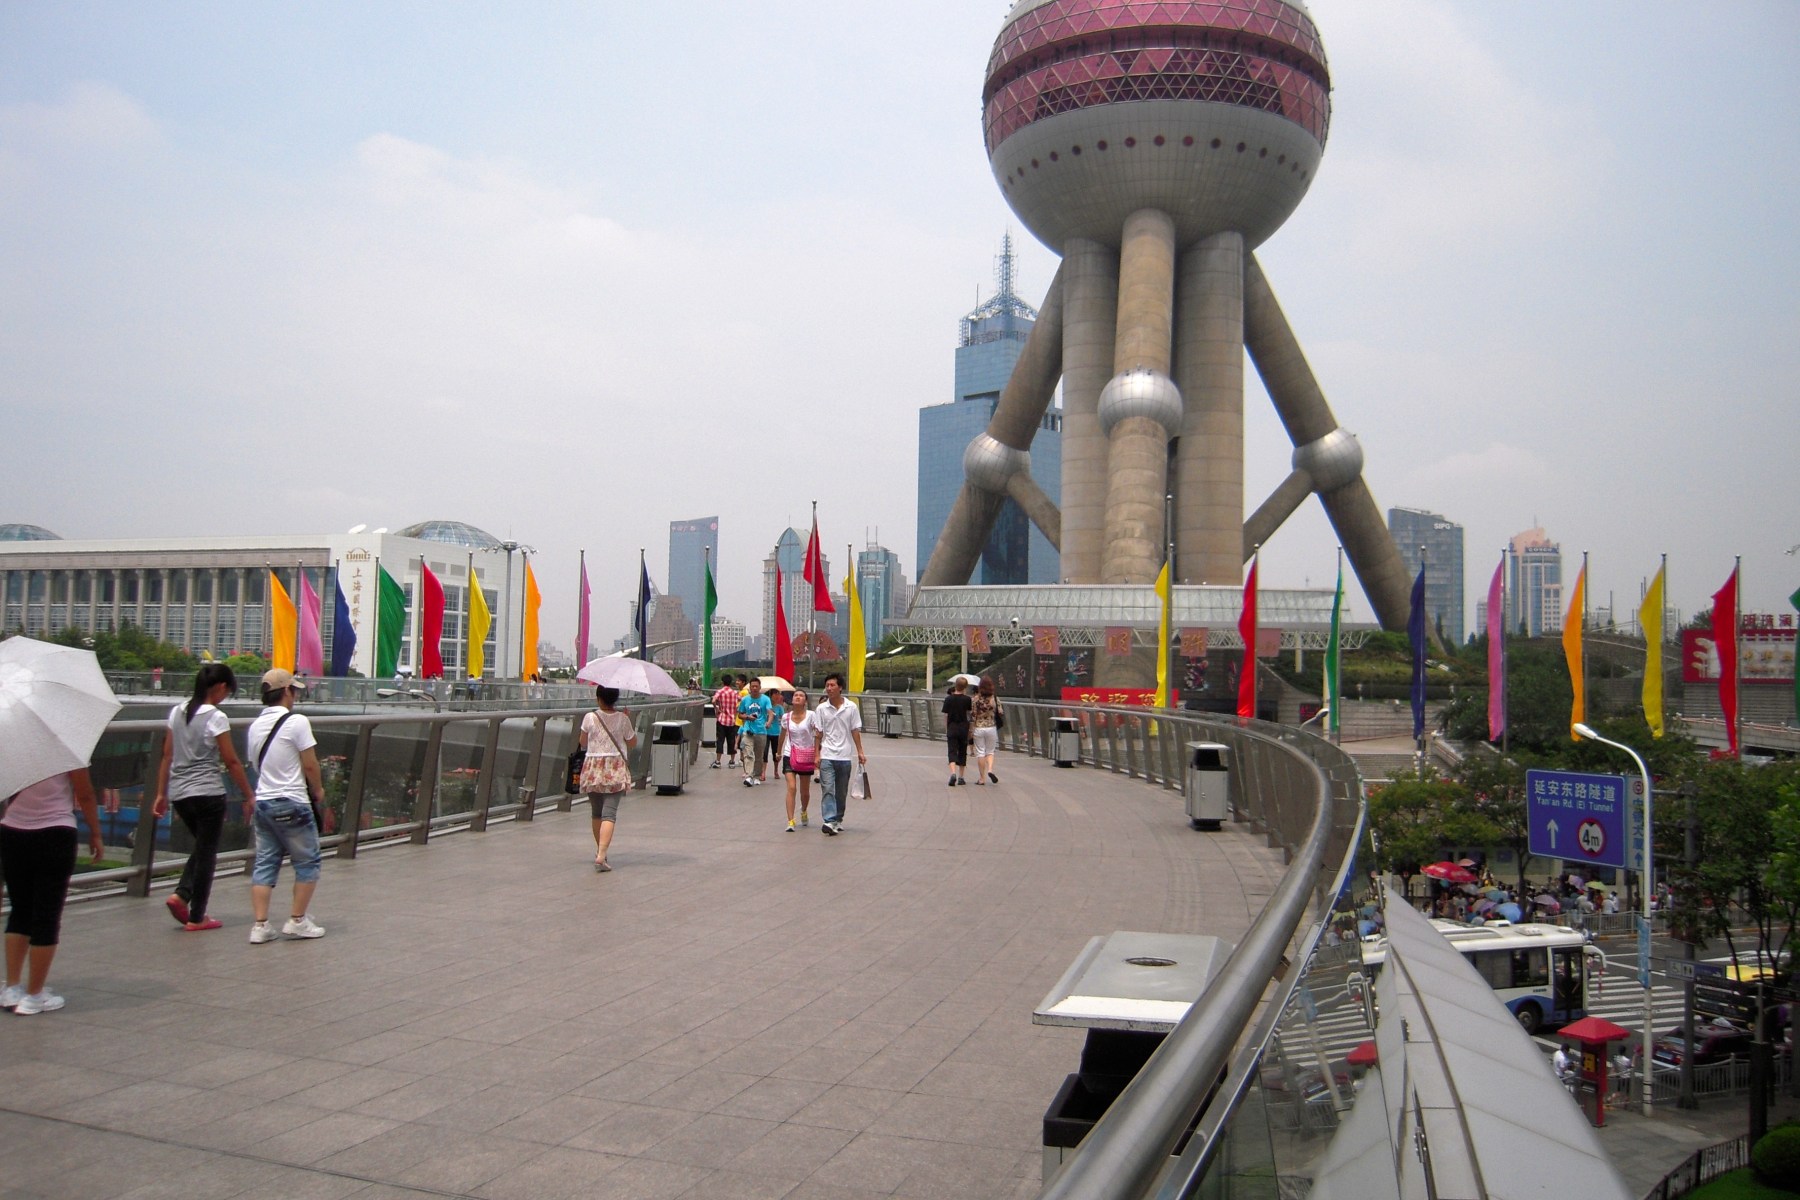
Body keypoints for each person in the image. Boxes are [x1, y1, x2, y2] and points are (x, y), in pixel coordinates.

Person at [151, 664, 254, 932]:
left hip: (180, 794)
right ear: (221, 687)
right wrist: (249, 795)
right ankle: (197, 916)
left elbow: (167, 755)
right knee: (207, 855)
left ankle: (182, 894)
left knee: (203, 847)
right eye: (227, 692)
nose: (225, 697)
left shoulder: (177, 712)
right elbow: (231, 761)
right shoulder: (216, 717)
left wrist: (161, 793)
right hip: (208, 794)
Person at [1, 769, 103, 1014]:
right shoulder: (65, 749)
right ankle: (34, 996)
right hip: (55, 832)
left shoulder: (9, 749)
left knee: (20, 910)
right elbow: (85, 794)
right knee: (47, 915)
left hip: (12, 831)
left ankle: (12, 988)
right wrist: (96, 833)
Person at [245, 669, 327, 944]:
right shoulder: (297, 722)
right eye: (295, 691)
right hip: (292, 800)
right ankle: (297, 920)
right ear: (287, 692)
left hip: (264, 801)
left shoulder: (255, 726)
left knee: (265, 862)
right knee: (307, 861)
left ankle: (260, 925)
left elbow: (255, 764)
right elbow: (310, 764)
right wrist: (318, 790)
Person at [578, 685, 638, 871]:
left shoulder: (590, 717)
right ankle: (602, 855)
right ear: (615, 699)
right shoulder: (623, 718)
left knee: (596, 813)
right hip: (615, 767)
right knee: (609, 814)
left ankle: (600, 852)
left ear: (598, 698)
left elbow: (582, 742)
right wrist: (626, 719)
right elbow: (632, 742)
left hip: (593, 768)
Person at [815, 673, 866, 835]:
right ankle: (829, 820)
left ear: (840, 687)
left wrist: (860, 751)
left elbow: (855, 730)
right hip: (827, 755)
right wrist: (816, 754)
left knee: (841, 791)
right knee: (827, 788)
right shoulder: (821, 708)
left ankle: (838, 818)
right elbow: (818, 733)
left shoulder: (851, 707)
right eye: (827, 686)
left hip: (844, 756)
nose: (829, 688)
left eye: (832, 685)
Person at [777, 689, 820, 832]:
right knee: (791, 787)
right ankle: (790, 820)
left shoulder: (811, 715)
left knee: (804, 791)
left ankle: (804, 810)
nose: (798, 697)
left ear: (805, 701)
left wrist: (817, 753)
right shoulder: (786, 717)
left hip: (806, 755)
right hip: (790, 754)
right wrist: (778, 752)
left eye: (801, 696)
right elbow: (782, 735)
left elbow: (818, 734)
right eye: (796, 695)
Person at [737, 678, 775, 787]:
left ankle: (757, 776)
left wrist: (769, 722)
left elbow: (770, 712)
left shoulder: (765, 699)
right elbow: (740, 714)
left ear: (760, 687)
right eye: (752, 686)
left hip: (761, 731)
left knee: (759, 756)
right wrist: (747, 717)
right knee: (748, 753)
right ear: (749, 688)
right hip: (748, 730)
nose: (754, 688)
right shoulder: (745, 700)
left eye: (756, 686)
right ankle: (749, 776)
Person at [970, 676, 1002, 785]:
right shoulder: (995, 698)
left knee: (980, 752)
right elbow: (1000, 712)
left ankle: (982, 778)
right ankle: (990, 770)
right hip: (991, 727)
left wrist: (971, 730)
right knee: (990, 751)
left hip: (979, 727)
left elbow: (973, 715)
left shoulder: (975, 699)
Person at [942, 677, 972, 786]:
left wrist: (947, 727)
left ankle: (953, 773)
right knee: (962, 751)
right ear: (965, 687)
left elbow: (946, 715)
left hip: (952, 727)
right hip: (963, 728)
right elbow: (969, 714)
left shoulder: (948, 699)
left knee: (952, 751)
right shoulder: (967, 699)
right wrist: (970, 729)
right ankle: (961, 777)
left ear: (955, 685)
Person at [711, 673, 740, 769]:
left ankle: (718, 761)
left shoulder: (720, 692)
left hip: (722, 720)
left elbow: (713, 700)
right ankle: (732, 761)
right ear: (731, 682)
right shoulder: (734, 693)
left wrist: (717, 709)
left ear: (722, 682)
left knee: (720, 740)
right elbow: (742, 700)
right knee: (732, 741)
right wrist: (737, 709)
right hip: (732, 721)